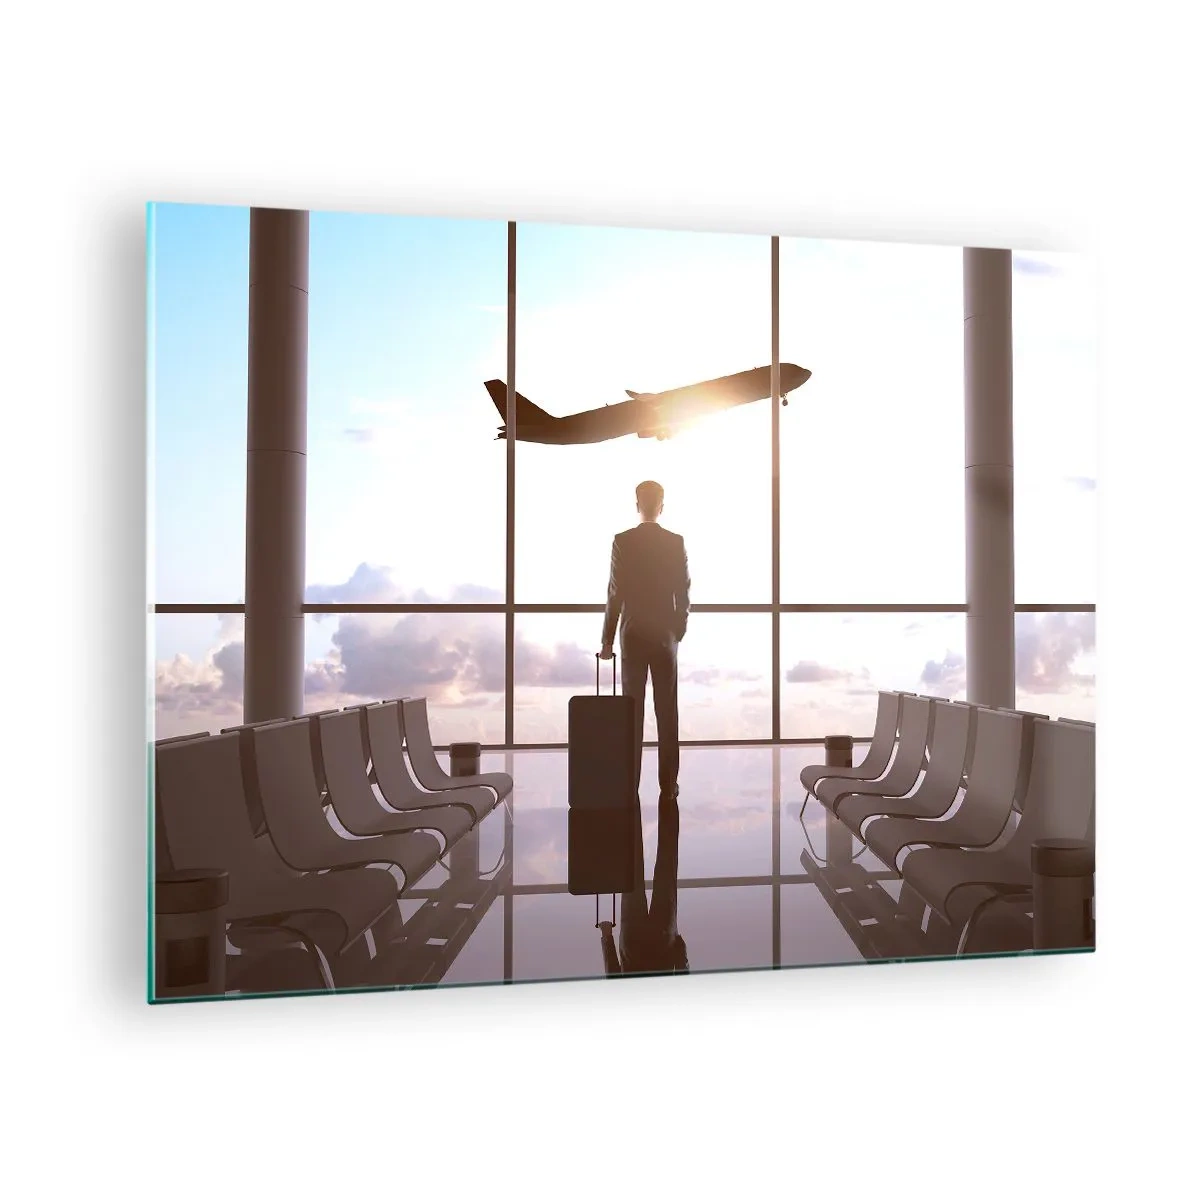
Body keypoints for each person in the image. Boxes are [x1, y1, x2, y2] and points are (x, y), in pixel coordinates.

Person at [599, 480, 690, 802]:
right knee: (667, 712)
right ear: (661, 506)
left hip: (633, 635)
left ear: (637, 505)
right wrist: (677, 630)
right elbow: (683, 589)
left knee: (631, 714)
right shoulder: (675, 542)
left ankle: (629, 783)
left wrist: (608, 639)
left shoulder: (623, 541)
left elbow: (616, 592)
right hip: (664, 636)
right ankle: (669, 784)